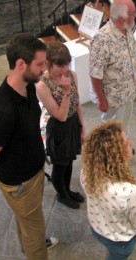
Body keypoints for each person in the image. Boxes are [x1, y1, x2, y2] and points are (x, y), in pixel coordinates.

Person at [0, 33, 49, 260]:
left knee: (27, 221)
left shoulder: (28, 86)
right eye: (40, 64)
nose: (44, 69)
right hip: (20, 183)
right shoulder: (4, 110)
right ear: (21, 64)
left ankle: (25, 243)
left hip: (33, 172)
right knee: (36, 237)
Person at [80, 120, 136, 260]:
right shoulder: (129, 192)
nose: (131, 143)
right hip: (120, 241)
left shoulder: (86, 172)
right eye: (126, 143)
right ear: (116, 155)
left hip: (97, 229)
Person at [36, 42, 85, 209]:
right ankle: (61, 195)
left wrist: (82, 127)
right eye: (60, 65)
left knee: (70, 160)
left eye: (67, 63)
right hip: (57, 127)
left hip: (72, 124)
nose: (65, 69)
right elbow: (60, 116)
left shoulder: (72, 75)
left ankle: (67, 190)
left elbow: (77, 103)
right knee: (60, 164)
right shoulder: (42, 84)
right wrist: (65, 91)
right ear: (49, 64)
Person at [89, 0, 136, 136]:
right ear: (122, 16)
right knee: (109, 132)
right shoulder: (102, 39)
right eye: (133, 12)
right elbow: (95, 74)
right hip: (112, 99)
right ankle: (109, 155)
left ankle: (121, 148)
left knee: (123, 127)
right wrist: (101, 100)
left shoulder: (127, 31)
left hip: (127, 93)